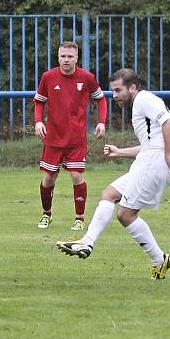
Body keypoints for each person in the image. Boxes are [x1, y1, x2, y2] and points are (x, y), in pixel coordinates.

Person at [56, 68, 170, 279]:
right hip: (152, 158)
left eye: (117, 90)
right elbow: (151, 143)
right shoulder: (142, 103)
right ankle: (88, 242)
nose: (114, 96)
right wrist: (120, 152)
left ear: (132, 87)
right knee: (109, 194)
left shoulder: (143, 99)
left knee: (125, 214)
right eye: (112, 91)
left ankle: (157, 259)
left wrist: (168, 157)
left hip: (156, 163)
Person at [34, 40, 108, 231]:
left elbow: (100, 99)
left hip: (76, 138)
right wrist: (38, 121)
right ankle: (46, 214)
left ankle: (79, 218)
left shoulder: (87, 77)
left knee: (76, 176)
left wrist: (101, 121)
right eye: (62, 56)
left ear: (76, 58)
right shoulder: (48, 77)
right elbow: (39, 101)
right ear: (58, 56)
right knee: (49, 178)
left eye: (70, 56)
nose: (66, 60)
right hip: (53, 138)